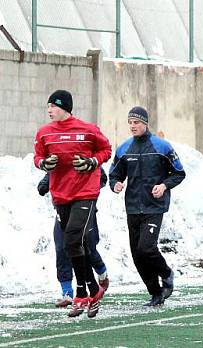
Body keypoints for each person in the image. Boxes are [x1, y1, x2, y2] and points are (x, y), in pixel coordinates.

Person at [34, 89, 112, 317]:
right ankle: (94, 289)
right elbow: (38, 156)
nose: (49, 110)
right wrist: (44, 164)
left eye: (53, 106)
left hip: (85, 193)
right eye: (48, 106)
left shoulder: (87, 130)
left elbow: (106, 150)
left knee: (72, 239)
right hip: (61, 194)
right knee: (74, 245)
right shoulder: (44, 133)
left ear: (65, 107)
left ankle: (80, 294)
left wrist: (92, 162)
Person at [109, 106, 185, 306]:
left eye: (137, 122)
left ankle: (167, 273)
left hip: (154, 207)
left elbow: (179, 173)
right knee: (137, 255)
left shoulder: (162, 147)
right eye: (130, 123)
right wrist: (115, 184)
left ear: (145, 123)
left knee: (146, 247)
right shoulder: (124, 149)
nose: (133, 126)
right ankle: (155, 293)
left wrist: (164, 185)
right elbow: (114, 174)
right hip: (133, 207)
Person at [38, 172, 109, 308]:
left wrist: (89, 193)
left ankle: (101, 274)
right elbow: (53, 172)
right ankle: (68, 293)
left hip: (84, 210)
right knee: (62, 248)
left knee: (88, 247)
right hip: (63, 210)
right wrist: (45, 183)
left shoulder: (86, 156)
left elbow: (101, 177)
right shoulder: (60, 157)